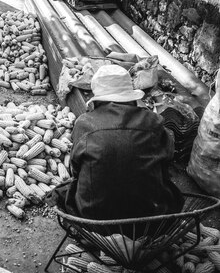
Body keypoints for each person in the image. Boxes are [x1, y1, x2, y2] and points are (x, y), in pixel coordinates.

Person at [54, 64, 184, 221]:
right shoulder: (154, 122)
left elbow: (76, 169)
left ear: (98, 100)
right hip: (152, 218)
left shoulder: (84, 124)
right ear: (132, 98)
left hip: (94, 218)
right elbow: (167, 161)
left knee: (62, 191)